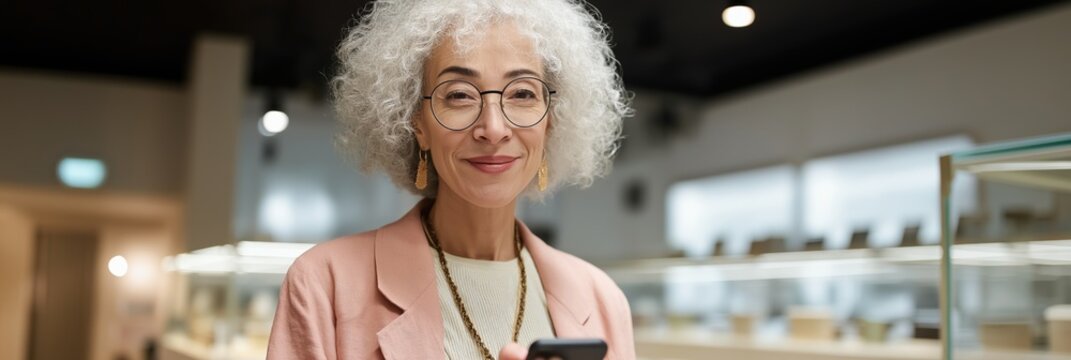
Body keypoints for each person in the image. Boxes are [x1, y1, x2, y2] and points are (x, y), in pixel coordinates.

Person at [266, 0, 632, 359]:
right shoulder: (324, 285)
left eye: (522, 93)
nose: (493, 128)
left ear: (551, 121)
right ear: (417, 123)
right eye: (458, 96)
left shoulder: (602, 298)